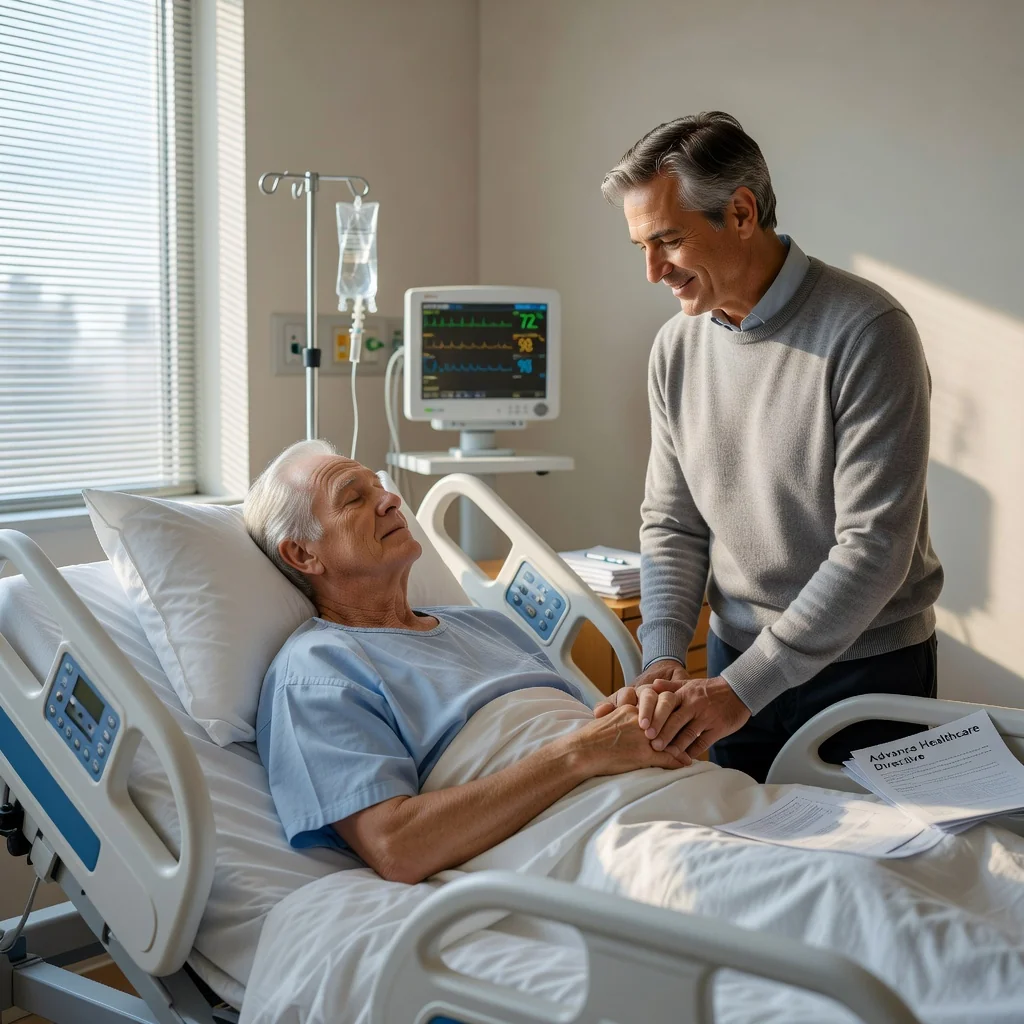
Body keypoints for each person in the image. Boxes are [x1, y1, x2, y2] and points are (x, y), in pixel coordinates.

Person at [595, 111, 944, 782]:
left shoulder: (868, 331)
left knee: (869, 877)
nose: (652, 271)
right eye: (640, 245)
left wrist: (744, 689)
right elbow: (673, 523)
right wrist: (666, 657)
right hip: (732, 663)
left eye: (668, 240)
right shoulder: (677, 347)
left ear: (743, 212)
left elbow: (874, 550)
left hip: (865, 670)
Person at [244, 439, 685, 885]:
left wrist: (645, 718)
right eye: (355, 498)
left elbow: (585, 731)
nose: (391, 500)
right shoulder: (318, 669)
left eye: (380, 487)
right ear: (302, 554)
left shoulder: (485, 624)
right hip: (608, 842)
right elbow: (397, 847)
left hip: (673, 797)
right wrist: (581, 752)